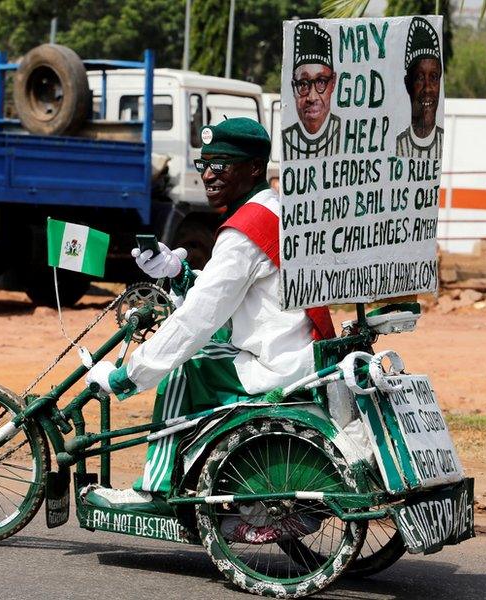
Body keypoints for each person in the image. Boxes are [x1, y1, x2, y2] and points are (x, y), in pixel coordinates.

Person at [85, 118, 336, 521]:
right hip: (302, 350)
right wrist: (177, 272)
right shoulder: (278, 209)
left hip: (277, 364)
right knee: (197, 351)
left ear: (254, 168)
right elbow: (243, 290)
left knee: (185, 366)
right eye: (204, 163)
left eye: (222, 164)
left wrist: (126, 376)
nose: (208, 174)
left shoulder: (244, 232)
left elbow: (197, 319)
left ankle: (156, 488)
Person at [281, 21, 342, 160]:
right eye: (303, 84)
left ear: (333, 83)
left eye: (321, 82)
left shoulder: (347, 136)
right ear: (292, 87)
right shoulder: (286, 141)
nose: (312, 97)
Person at [395, 17, 444, 159]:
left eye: (434, 77)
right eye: (419, 78)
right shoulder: (397, 146)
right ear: (407, 83)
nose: (427, 88)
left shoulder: (446, 144)